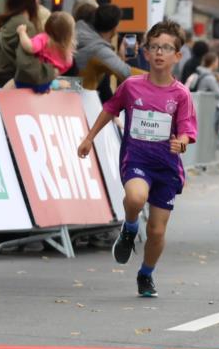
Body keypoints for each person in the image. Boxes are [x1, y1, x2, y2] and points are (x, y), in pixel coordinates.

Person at [77, 20, 197, 298]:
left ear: (177, 56)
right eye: (154, 47)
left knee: (156, 231)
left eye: (166, 48)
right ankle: (130, 227)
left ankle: (146, 274)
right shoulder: (131, 86)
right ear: (145, 52)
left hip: (166, 167)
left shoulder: (180, 94)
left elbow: (187, 129)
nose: (159, 52)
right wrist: (89, 137)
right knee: (135, 198)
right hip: (137, 159)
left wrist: (182, 142)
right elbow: (110, 108)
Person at [15, 11, 75, 92]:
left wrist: (21, 32)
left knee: (12, 82)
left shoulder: (44, 38)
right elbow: (59, 71)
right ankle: (55, 84)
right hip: (47, 84)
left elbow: (30, 47)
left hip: (30, 81)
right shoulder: (68, 56)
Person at [192, 51, 219, 144]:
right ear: (213, 62)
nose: (218, 64)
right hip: (205, 110)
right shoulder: (209, 77)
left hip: (199, 107)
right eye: (217, 61)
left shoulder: (198, 73)